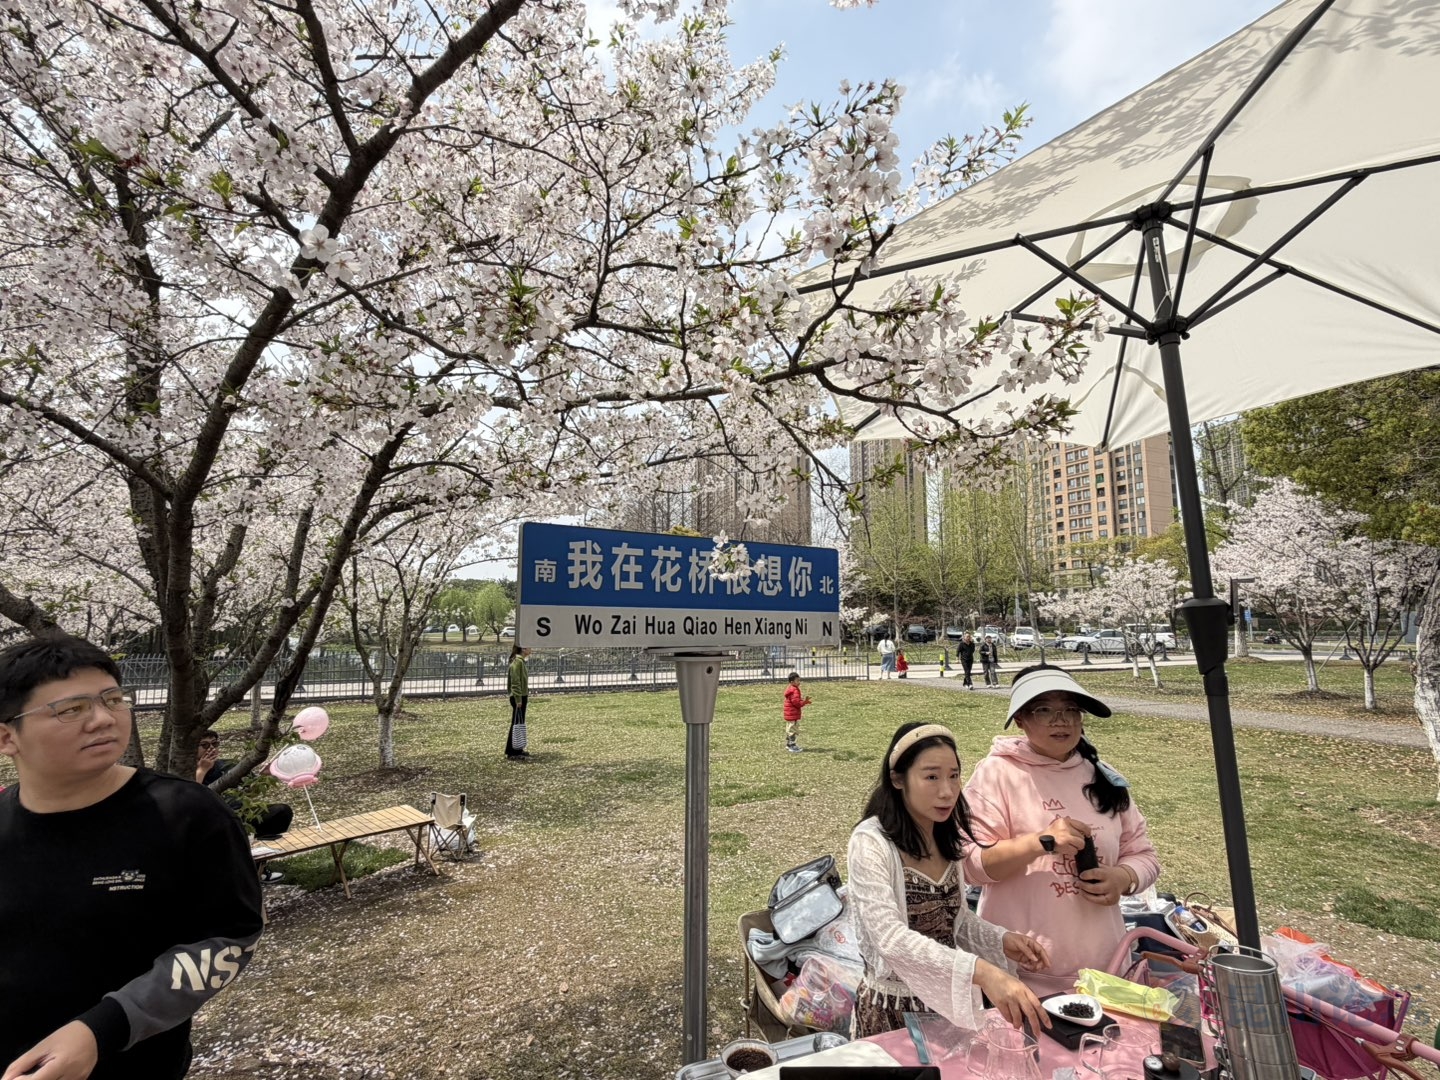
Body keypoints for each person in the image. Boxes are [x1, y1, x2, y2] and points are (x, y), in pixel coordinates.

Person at [0, 635, 263, 1080]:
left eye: (113, 700)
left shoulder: (186, 814)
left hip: (134, 1063)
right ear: (7, 737)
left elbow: (229, 937)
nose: (104, 719)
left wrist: (102, 1030)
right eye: (71, 709)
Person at [962, 665, 1162, 995]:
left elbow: (1144, 855)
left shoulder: (1103, 776)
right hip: (1019, 978)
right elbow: (970, 866)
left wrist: (1123, 877)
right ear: (1020, 719)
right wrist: (1041, 842)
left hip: (1107, 973)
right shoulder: (996, 774)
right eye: (1044, 710)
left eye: (1071, 709)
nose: (1062, 721)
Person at [847, 722, 1051, 1039]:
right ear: (898, 779)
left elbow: (955, 921)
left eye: (954, 776)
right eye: (931, 777)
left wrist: (1001, 940)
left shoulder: (944, 837)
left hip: (945, 1007)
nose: (947, 791)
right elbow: (890, 938)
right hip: (891, 1015)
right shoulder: (871, 843)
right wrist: (981, 972)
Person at [196, 730, 293, 842]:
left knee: (282, 811)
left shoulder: (229, 764)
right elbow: (191, 800)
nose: (211, 748)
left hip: (240, 814)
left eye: (215, 744)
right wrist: (202, 770)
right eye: (204, 745)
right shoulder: (187, 770)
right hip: (213, 820)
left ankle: (256, 838)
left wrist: (263, 778)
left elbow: (251, 792)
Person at [505, 644, 531, 760]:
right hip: (518, 697)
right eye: (529, 647)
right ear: (523, 649)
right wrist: (518, 699)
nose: (531, 649)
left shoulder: (521, 661)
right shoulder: (517, 662)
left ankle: (518, 749)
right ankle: (512, 752)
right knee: (516, 723)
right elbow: (515, 682)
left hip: (522, 695)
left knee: (519, 722)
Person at [782, 672, 812, 753]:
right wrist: (804, 702)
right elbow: (797, 703)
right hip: (792, 713)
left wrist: (803, 701)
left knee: (790, 728)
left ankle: (789, 744)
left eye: (799, 680)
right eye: (797, 680)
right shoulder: (794, 690)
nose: (799, 682)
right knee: (793, 730)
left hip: (790, 713)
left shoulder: (791, 688)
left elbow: (795, 700)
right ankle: (792, 745)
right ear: (792, 682)